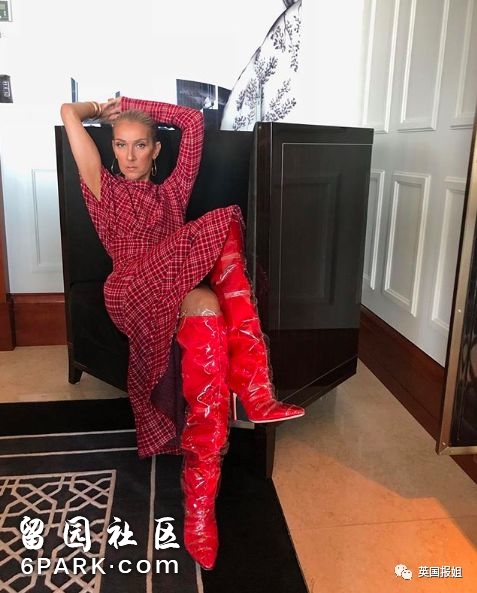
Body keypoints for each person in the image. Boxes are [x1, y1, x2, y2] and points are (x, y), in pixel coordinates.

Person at [60, 96, 305, 570]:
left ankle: (200, 504)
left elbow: (191, 121)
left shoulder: (172, 193)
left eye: (140, 145)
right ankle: (255, 383)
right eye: (121, 145)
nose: (129, 155)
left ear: (156, 150)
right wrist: (102, 108)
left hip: (173, 287)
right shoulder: (103, 188)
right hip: (130, 288)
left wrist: (133, 103)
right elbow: (68, 113)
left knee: (209, 311)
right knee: (224, 218)